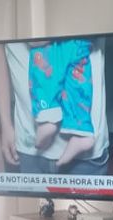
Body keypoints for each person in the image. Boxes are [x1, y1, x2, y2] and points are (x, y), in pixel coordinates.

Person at [0, 41, 109, 175]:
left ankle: (77, 130)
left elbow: (37, 39)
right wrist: (5, 124)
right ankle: (51, 118)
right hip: (28, 141)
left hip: (87, 152)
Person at [29, 39, 95, 167]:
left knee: (44, 69)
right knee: (78, 82)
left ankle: (48, 116)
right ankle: (82, 129)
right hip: (79, 42)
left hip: (55, 40)